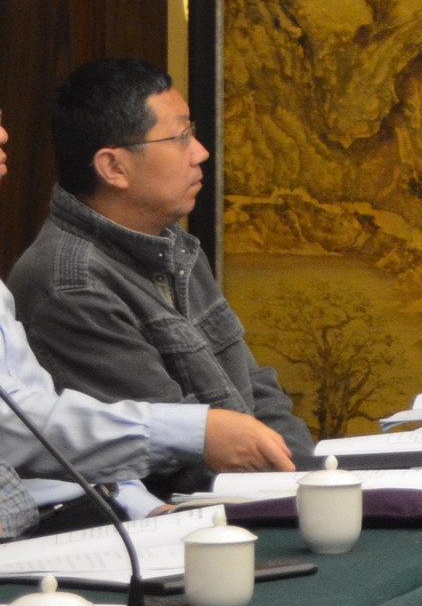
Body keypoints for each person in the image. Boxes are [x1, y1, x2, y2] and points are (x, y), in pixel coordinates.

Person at [11, 58, 314, 484]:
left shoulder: (172, 243)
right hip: (188, 510)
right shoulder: (71, 284)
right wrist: (292, 486)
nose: (201, 152)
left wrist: (306, 476)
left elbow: (258, 391)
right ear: (114, 167)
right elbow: (172, 458)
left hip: (263, 492)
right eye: (180, 136)